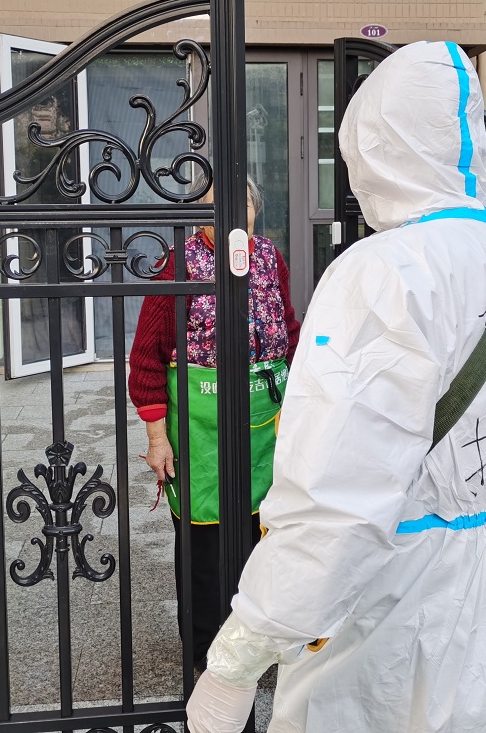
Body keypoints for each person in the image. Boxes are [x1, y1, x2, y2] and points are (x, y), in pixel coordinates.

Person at [186, 42, 486, 732]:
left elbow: (336, 502)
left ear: (373, 147)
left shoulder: (384, 274)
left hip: (398, 632)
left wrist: (238, 656)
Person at [128, 176, 300, 673]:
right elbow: (146, 357)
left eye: (241, 201)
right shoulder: (178, 265)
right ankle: (206, 650)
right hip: (200, 426)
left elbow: (289, 331)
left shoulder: (268, 258)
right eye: (215, 204)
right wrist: (157, 439)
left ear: (255, 210)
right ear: (198, 216)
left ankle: (258, 642)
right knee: (204, 541)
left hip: (265, 420)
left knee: (263, 534)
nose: (230, 212)